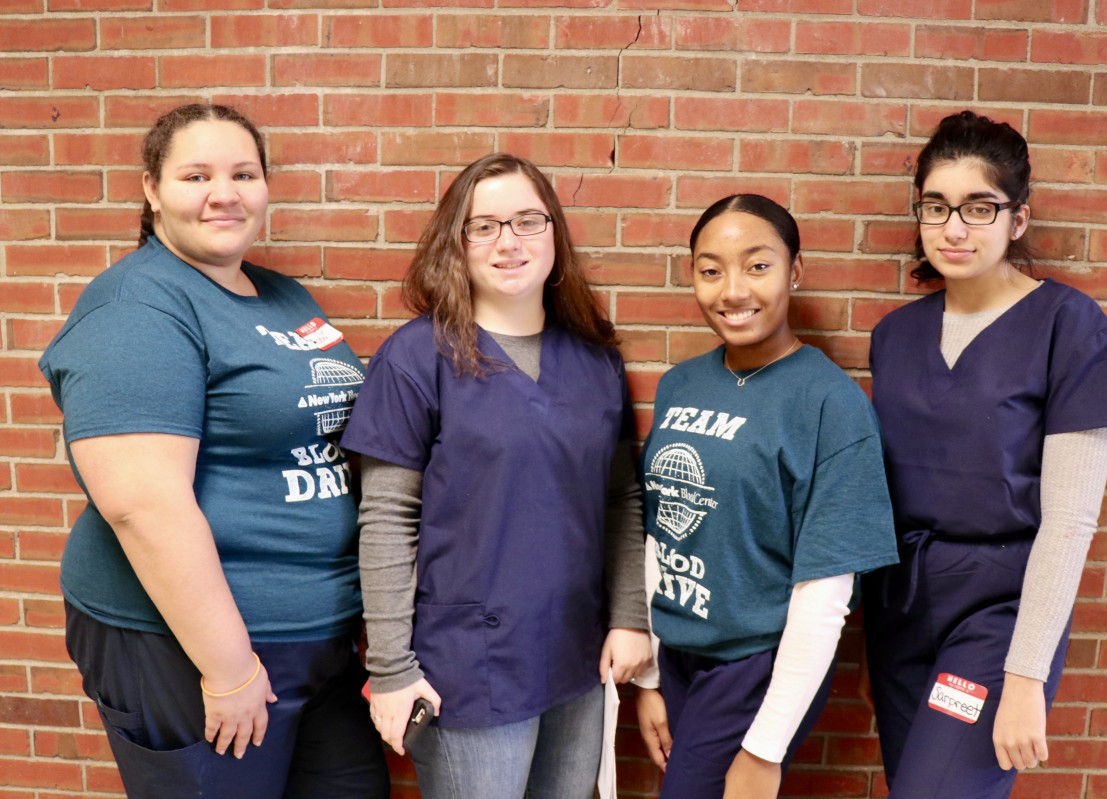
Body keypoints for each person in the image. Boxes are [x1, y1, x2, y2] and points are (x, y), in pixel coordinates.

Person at [38, 104, 389, 798]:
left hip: (317, 644)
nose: (223, 193)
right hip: (194, 650)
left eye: (243, 173)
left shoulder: (282, 296)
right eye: (196, 174)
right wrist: (228, 668)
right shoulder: (137, 308)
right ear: (151, 190)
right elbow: (143, 505)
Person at [338, 152, 651, 799]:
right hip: (470, 665)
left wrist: (628, 614)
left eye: (527, 221)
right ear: (456, 243)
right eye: (484, 226)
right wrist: (392, 668)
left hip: (576, 655)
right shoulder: (416, 356)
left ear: (555, 236)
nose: (508, 241)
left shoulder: (595, 360)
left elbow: (621, 497)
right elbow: (386, 517)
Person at [863, 110, 1107, 798]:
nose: (954, 228)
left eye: (979, 207)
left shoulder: (1071, 328)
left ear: (1018, 218)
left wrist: (1025, 673)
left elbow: (1071, 520)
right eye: (936, 206)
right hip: (900, 607)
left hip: (997, 616)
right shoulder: (894, 336)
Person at [633, 194, 898, 799]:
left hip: (755, 662)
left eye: (757, 266)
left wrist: (765, 746)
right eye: (711, 269)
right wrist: (649, 675)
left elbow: (828, 591)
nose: (732, 290)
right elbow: (659, 534)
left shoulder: (830, 403)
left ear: (794, 271)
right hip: (679, 654)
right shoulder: (681, 384)